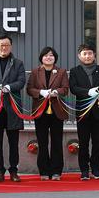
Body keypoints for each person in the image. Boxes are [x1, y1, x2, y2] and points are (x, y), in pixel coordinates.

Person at [0, 34, 26, 182]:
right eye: (1, 45)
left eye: (6, 45)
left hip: (12, 108)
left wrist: (9, 87)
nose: (4, 48)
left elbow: (21, 81)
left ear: (11, 47)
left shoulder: (18, 63)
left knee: (13, 142)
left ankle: (13, 170)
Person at [69, 44, 99, 180]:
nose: (87, 56)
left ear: (94, 55)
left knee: (98, 142)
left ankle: (96, 169)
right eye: (84, 53)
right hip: (83, 111)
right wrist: (87, 92)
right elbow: (73, 88)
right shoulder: (75, 71)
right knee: (84, 141)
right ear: (79, 56)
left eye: (90, 53)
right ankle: (84, 170)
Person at [26, 47, 69, 180]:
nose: (48, 57)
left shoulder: (61, 72)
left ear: (55, 57)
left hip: (56, 111)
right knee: (42, 141)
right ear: (41, 58)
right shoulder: (35, 72)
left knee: (57, 141)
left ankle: (56, 171)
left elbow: (65, 89)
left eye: (51, 55)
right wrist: (40, 92)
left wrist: (57, 92)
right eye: (45, 55)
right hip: (40, 111)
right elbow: (29, 89)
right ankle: (44, 171)